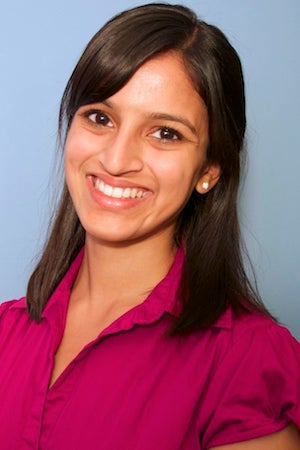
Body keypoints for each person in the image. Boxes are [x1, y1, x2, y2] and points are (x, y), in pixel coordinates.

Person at [0, 3, 299, 449]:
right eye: (100, 117)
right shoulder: (7, 332)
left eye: (165, 133)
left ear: (209, 169)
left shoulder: (246, 360)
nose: (116, 161)